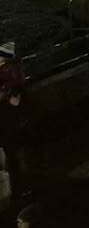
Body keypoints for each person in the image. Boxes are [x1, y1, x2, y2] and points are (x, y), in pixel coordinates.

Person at [0, 42, 25, 196]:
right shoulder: (13, 72)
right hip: (8, 117)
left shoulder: (11, 72)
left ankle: (16, 188)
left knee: (11, 153)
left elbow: (14, 96)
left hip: (7, 119)